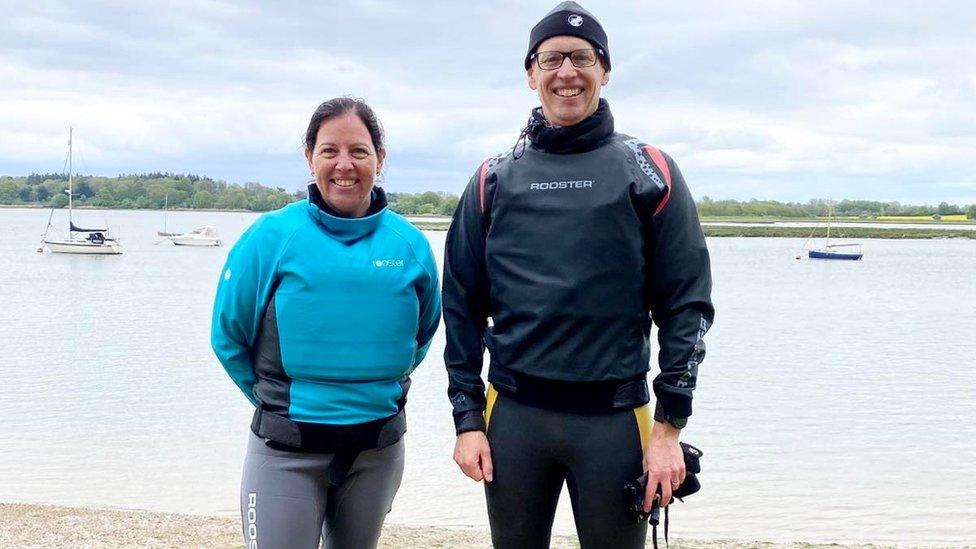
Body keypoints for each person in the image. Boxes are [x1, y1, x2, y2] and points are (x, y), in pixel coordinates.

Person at [442, 3, 714, 548]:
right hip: (515, 417)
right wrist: (467, 417)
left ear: (605, 70)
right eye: (551, 59)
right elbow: (461, 304)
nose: (567, 71)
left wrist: (669, 428)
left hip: (615, 420)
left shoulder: (649, 170)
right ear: (531, 74)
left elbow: (687, 305)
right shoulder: (494, 179)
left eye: (582, 57)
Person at [211, 97, 441, 549]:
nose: (344, 165)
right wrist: (275, 400)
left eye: (359, 151)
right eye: (329, 150)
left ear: (380, 158)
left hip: (376, 451)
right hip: (286, 450)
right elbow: (229, 336)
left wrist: (375, 386)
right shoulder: (273, 236)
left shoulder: (410, 244)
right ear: (309, 157)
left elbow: (423, 333)